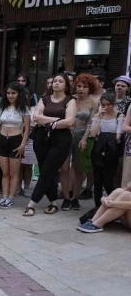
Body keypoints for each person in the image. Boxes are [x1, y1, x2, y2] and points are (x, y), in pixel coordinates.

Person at [23, 73, 77, 217]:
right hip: (41, 137)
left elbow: (70, 121)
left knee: (47, 171)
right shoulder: (44, 99)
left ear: (66, 85)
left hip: (61, 139)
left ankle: (31, 204)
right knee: (46, 171)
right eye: (54, 81)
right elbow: (36, 117)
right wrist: (57, 120)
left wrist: (47, 121)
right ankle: (53, 202)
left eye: (60, 81)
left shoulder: (70, 100)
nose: (56, 83)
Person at [0, 82, 31, 209]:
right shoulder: (3, 107)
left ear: (19, 94)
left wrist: (23, 144)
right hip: (3, 139)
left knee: (14, 173)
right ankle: (4, 197)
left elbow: (27, 128)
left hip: (16, 140)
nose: (10, 95)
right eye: (8, 93)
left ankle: (11, 198)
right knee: (5, 172)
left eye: (13, 93)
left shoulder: (24, 109)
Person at [83, 93, 123, 209]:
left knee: (108, 180)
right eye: (103, 104)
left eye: (108, 104)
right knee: (97, 180)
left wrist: (111, 139)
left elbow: (118, 135)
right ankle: (97, 206)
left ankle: (112, 204)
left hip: (111, 150)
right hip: (98, 149)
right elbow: (93, 134)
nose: (105, 107)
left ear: (113, 104)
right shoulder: (97, 116)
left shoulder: (119, 116)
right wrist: (100, 118)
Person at [65, 74, 98, 210]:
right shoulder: (70, 99)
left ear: (90, 88)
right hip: (67, 134)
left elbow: (91, 123)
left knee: (78, 167)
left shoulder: (94, 102)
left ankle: (75, 197)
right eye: (79, 86)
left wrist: (85, 138)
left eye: (85, 87)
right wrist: (68, 126)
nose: (81, 89)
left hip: (82, 135)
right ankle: (67, 194)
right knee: (65, 167)